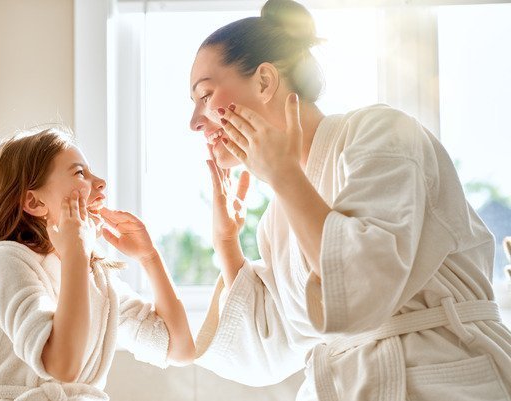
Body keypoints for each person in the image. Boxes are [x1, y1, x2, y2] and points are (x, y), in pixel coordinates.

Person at [188, 1, 511, 400]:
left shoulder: (381, 132)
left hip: (437, 374)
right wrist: (226, 244)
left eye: (204, 96)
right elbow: (271, 350)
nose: (195, 122)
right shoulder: (276, 217)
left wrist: (286, 178)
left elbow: (361, 288)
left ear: (265, 81)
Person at [0, 128, 194, 401]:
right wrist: (76, 253)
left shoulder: (94, 276)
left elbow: (180, 349)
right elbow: (63, 366)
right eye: (80, 173)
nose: (102, 183)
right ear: (34, 201)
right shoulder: (2, 262)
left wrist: (149, 258)